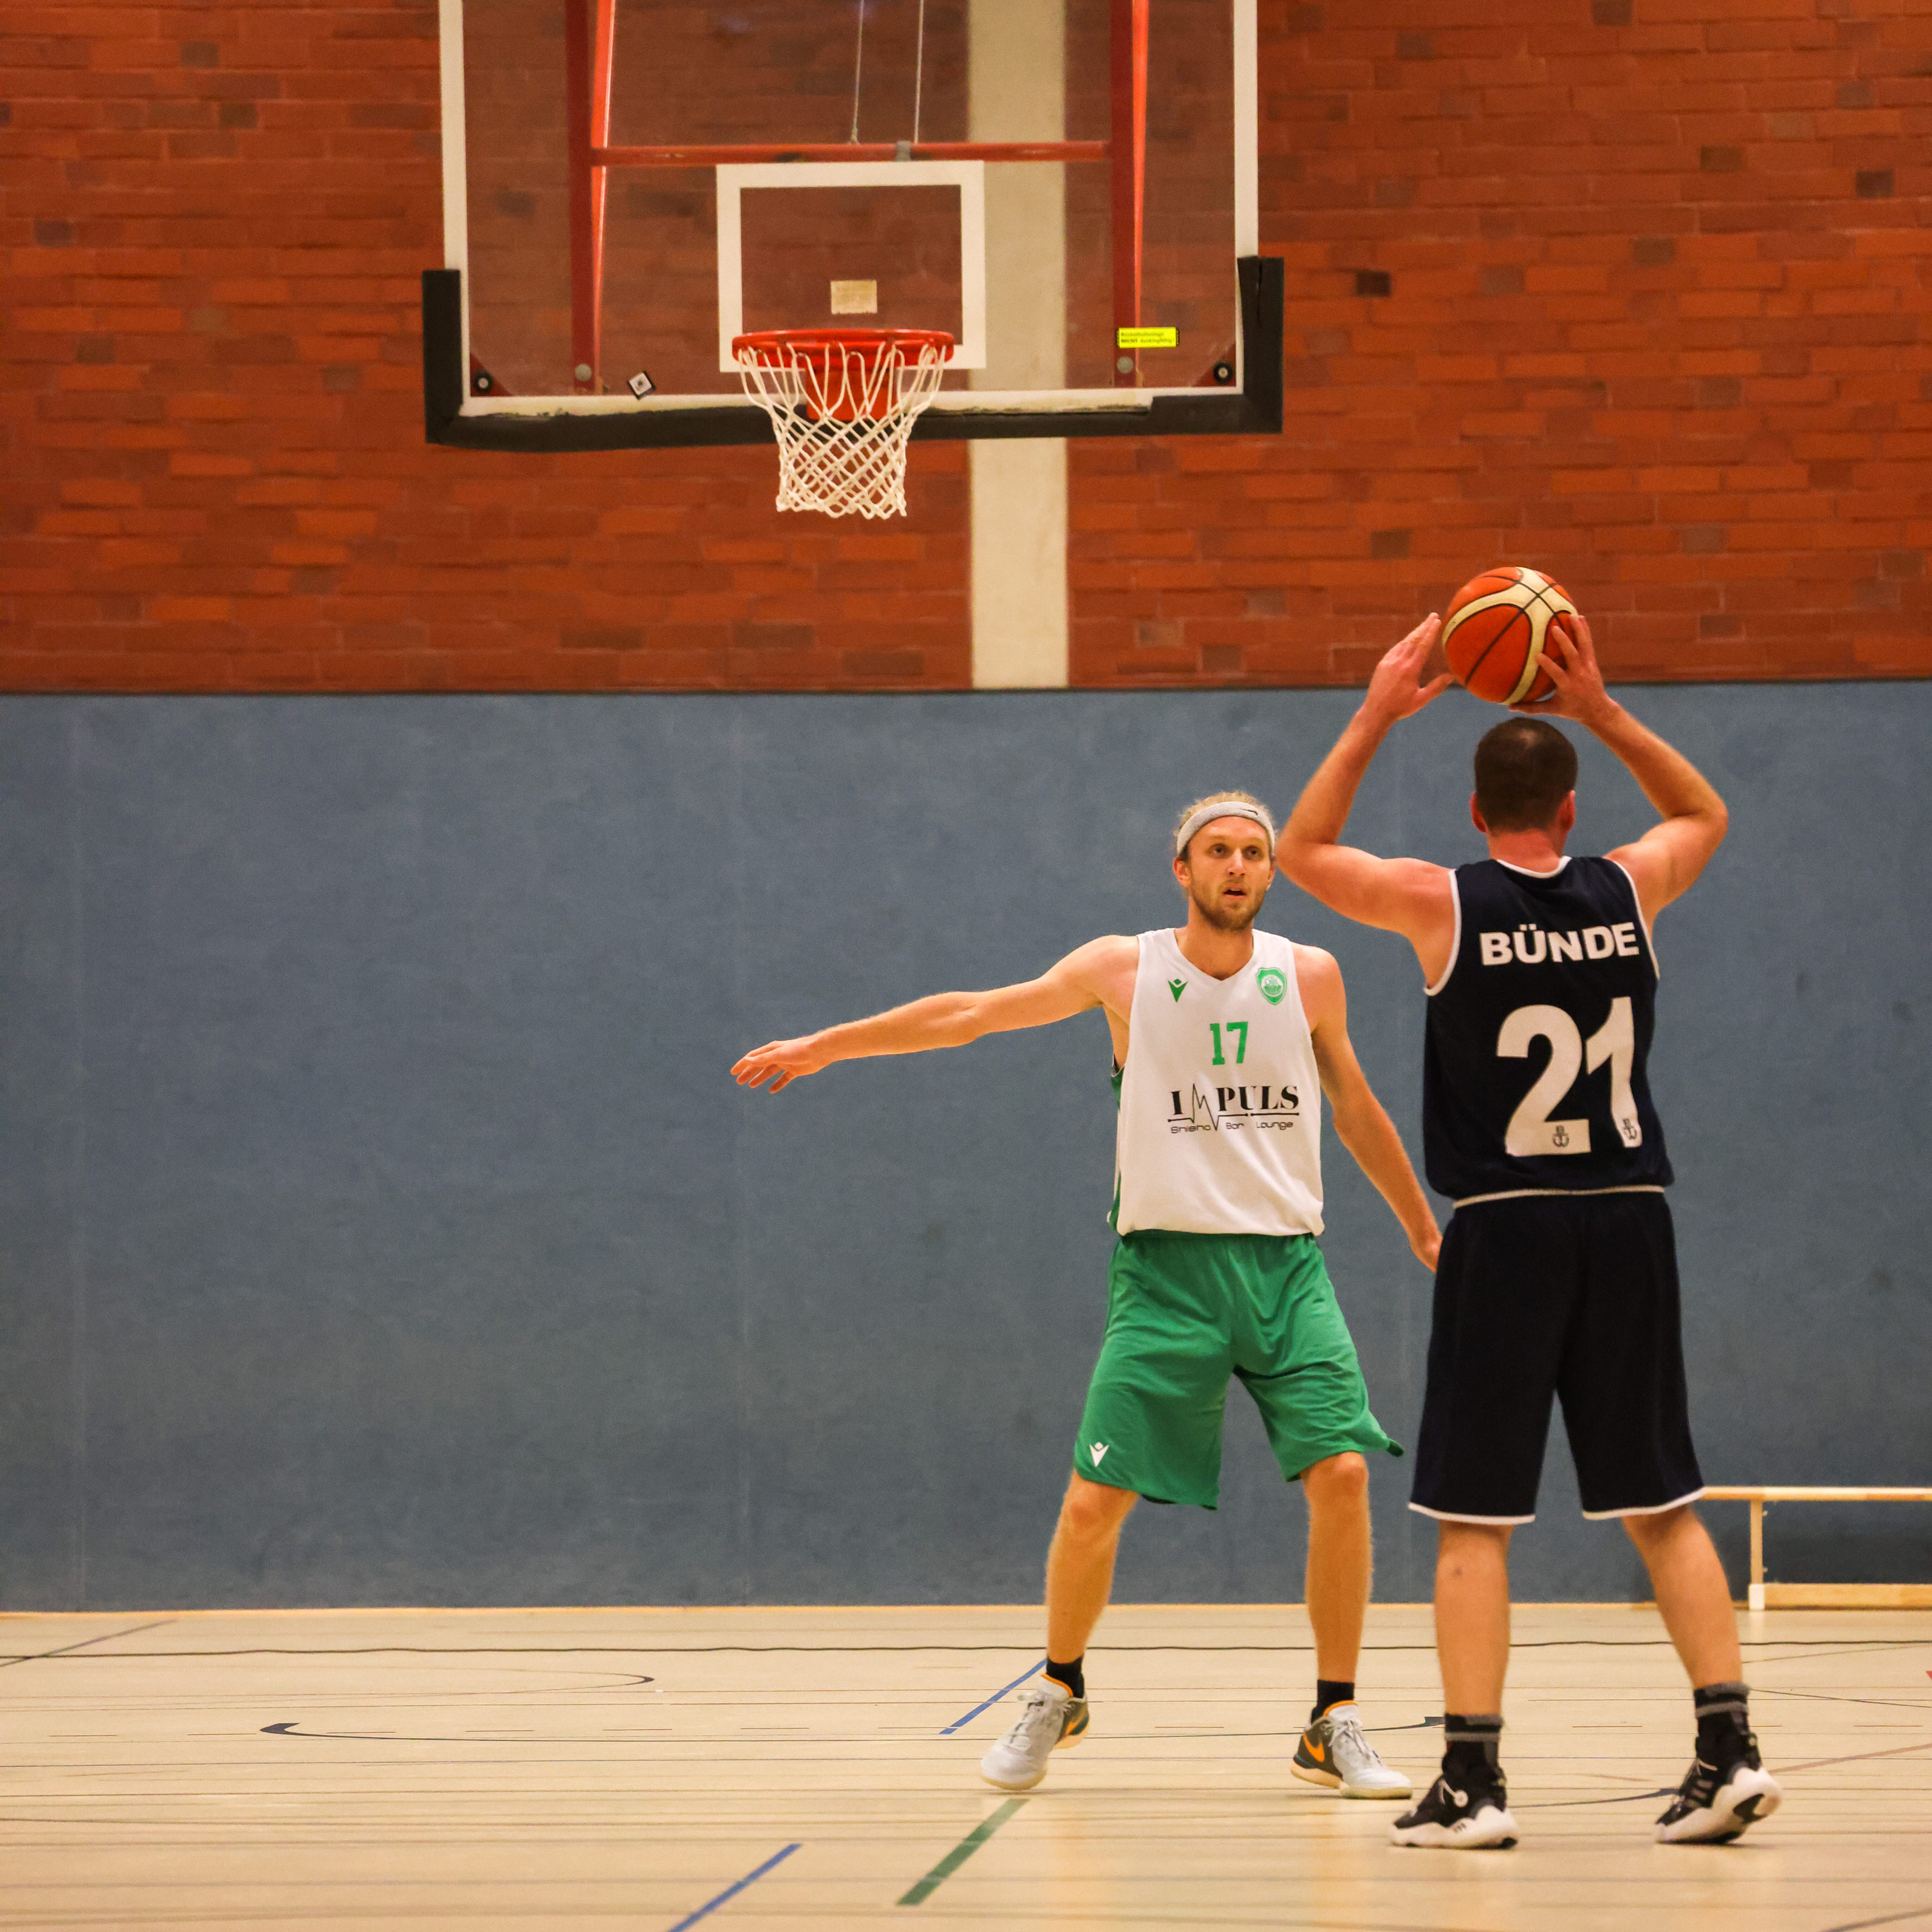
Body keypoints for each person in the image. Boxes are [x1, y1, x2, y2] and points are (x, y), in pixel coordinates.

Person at [733, 793, 1441, 1799]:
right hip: (1165, 1277)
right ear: (1182, 869)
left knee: (1345, 1476)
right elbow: (972, 1015)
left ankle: (1333, 1718)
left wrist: (1421, 1225)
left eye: (1254, 852)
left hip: (1288, 1270)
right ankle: (1060, 1689)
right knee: (1092, 1501)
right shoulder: (1124, 968)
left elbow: (1356, 1105)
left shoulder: (1311, 975)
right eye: (1218, 851)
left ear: (1271, 871)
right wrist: (828, 1045)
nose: (1238, 866)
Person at [1277, 612, 1781, 1849]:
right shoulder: (1628, 886)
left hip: (1506, 1228)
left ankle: (1472, 1782)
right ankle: (1729, 1749)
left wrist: (1376, 708)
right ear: (1567, 808)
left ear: (1474, 810)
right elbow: (1706, 813)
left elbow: (1301, 850)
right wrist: (1601, 706)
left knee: (1475, 1519)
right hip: (1629, 1221)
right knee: (1664, 1501)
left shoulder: (1441, 901)